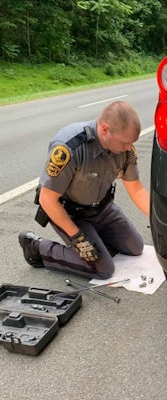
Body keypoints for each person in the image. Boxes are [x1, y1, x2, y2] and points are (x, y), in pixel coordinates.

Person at [18, 101, 150, 280]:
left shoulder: (124, 150)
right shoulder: (69, 148)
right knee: (103, 270)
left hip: (102, 209)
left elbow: (137, 189)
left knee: (136, 248)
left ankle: (97, 243)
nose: (129, 148)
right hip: (70, 213)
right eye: (125, 142)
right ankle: (38, 247)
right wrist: (77, 238)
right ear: (105, 129)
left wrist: (158, 219)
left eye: (131, 143)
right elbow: (47, 199)